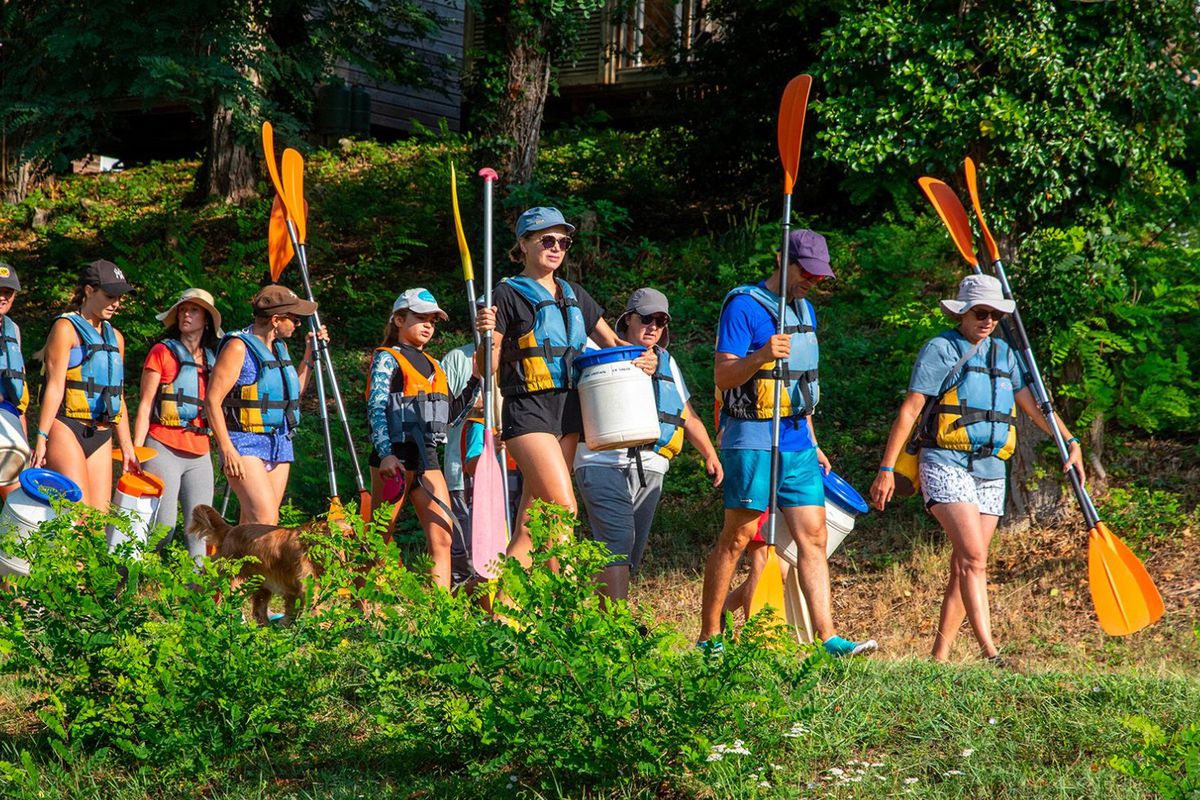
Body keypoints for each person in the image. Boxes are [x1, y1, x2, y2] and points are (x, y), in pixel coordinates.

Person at [869, 274, 1085, 665]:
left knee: (965, 563)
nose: (988, 321)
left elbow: (1034, 407)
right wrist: (886, 468)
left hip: (991, 468)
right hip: (945, 461)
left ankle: (939, 658)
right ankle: (990, 652)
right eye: (981, 313)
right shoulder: (940, 349)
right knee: (974, 558)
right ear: (963, 313)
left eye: (995, 315)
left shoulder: (1005, 354)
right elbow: (910, 410)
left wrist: (1069, 440)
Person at [697, 229, 874, 656]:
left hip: (797, 439)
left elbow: (800, 383)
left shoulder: (804, 310)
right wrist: (761, 356)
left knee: (814, 536)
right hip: (751, 437)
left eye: (818, 276)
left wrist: (813, 440)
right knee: (739, 536)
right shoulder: (743, 306)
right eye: (806, 272)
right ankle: (708, 635)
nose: (812, 282)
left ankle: (828, 638)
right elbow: (723, 376)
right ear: (782, 260)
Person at [474, 207, 655, 566]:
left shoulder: (575, 295)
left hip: (568, 412)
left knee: (530, 527)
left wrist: (647, 359)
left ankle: (506, 600)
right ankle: (567, 595)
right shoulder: (505, 295)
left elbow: (615, 345)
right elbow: (485, 368)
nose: (556, 247)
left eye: (563, 242)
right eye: (547, 240)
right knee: (563, 507)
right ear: (524, 244)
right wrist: (486, 336)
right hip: (528, 409)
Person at [573, 287, 723, 602]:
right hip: (601, 461)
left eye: (660, 321)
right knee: (618, 541)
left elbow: (688, 415)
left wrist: (710, 454)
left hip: (651, 466)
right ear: (628, 319)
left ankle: (593, 616)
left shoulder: (666, 361)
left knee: (629, 554)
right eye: (646, 319)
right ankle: (617, 625)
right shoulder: (592, 349)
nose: (653, 327)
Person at [366, 289, 480, 589]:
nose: (428, 325)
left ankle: (438, 607)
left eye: (433, 320)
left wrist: (475, 379)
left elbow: (451, 416)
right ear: (399, 320)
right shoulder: (387, 358)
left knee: (443, 536)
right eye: (421, 318)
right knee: (379, 536)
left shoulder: (435, 365)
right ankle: (362, 602)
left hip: (427, 457)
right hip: (395, 457)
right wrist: (386, 453)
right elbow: (376, 407)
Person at [205, 285, 325, 525]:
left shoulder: (280, 348)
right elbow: (212, 400)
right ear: (276, 320)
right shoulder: (237, 347)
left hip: (279, 442)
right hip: (244, 443)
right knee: (266, 520)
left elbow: (292, 394)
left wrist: (309, 356)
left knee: (252, 526)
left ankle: (233, 552)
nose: (298, 324)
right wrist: (227, 449)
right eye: (295, 319)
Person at [32, 260, 141, 507]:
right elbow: (55, 387)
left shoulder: (116, 338)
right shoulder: (65, 328)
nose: (116, 303)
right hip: (67, 426)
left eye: (119, 297)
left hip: (101, 433)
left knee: (98, 519)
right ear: (89, 291)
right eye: (110, 296)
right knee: (78, 513)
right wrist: (41, 437)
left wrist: (127, 446)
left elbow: (118, 395)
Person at [133, 288, 222, 562]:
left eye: (194, 310)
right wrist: (136, 451)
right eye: (183, 310)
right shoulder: (162, 352)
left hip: (200, 452)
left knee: (202, 532)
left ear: (206, 320)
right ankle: (134, 576)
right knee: (164, 528)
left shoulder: (213, 360)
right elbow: (145, 404)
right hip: (162, 446)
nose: (186, 314)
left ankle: (196, 587)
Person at [0, 263, 29, 500]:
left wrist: (25, 442)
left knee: (16, 499)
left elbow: (19, 393)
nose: (2, 297)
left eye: (7, 292)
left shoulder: (13, 330)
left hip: (8, 422)